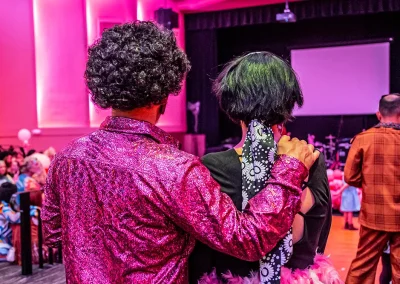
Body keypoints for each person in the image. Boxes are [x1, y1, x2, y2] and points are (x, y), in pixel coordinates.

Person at [41, 22, 319, 284]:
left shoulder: (67, 158)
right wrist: (290, 167)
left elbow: (53, 234)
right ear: (164, 92)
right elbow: (248, 241)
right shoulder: (176, 171)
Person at [189, 52, 341, 284]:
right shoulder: (311, 158)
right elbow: (320, 235)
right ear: (288, 100)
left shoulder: (214, 165)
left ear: (232, 103)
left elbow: (204, 250)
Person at [345, 93, 400, 283]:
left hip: (373, 216)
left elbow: (350, 177)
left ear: (379, 114)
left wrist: (372, 184)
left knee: (363, 267)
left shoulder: (362, 139)